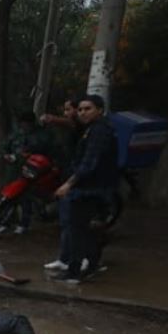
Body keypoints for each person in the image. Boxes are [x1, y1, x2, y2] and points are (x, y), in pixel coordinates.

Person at [50, 94, 118, 283]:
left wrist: (68, 184)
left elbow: (90, 163)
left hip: (90, 189)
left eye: (88, 109)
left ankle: (75, 271)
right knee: (86, 230)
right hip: (92, 188)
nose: (82, 112)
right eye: (80, 109)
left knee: (77, 230)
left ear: (100, 110)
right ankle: (88, 266)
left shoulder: (99, 131)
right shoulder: (92, 129)